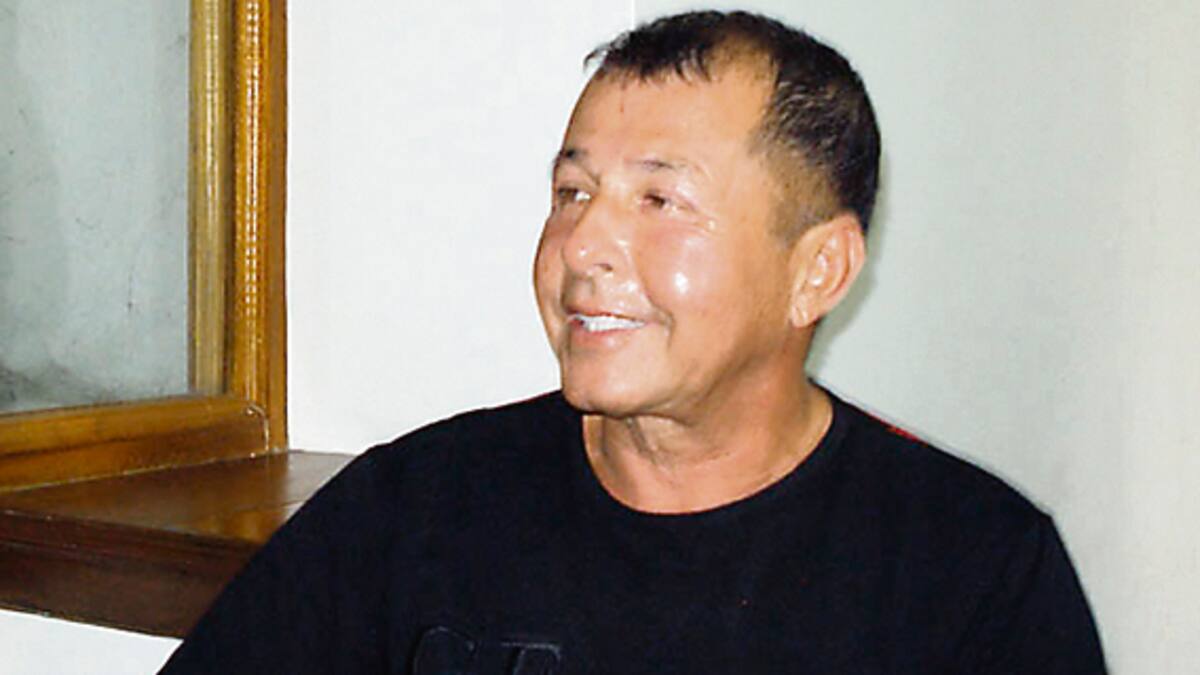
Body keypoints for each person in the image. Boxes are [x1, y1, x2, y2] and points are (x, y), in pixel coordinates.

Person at [160, 10, 1106, 674]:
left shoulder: (971, 573)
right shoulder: (410, 510)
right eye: (572, 192)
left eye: (661, 200)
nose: (584, 247)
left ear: (817, 270)